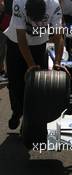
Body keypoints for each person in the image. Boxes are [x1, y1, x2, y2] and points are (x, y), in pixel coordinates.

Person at [4, 0, 64, 129]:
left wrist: (57, 63)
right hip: (16, 44)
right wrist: (31, 65)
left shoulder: (54, 5)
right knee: (15, 83)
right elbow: (21, 38)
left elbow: (58, 36)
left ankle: (28, 119)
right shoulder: (18, 3)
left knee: (37, 85)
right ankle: (17, 111)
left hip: (39, 45)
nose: (35, 24)